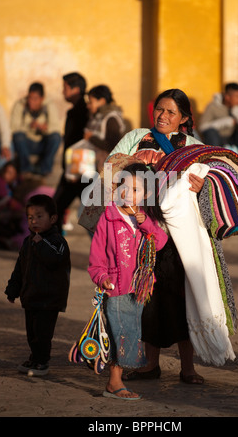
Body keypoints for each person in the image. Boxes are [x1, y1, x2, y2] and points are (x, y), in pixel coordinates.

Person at [98, 89, 206, 384]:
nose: (163, 116)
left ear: (184, 118)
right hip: (139, 232)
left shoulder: (194, 146)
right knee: (145, 298)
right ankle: (149, 364)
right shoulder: (135, 136)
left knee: (183, 300)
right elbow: (106, 170)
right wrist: (134, 158)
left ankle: (188, 367)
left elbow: (210, 185)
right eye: (160, 109)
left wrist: (200, 186)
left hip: (179, 237)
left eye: (171, 112)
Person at [87, 163, 168, 400]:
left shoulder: (145, 218)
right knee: (119, 333)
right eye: (123, 186)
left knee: (130, 333)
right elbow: (96, 257)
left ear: (146, 194)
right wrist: (102, 277)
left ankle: (116, 380)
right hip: (116, 288)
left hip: (139, 289)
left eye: (134, 189)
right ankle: (114, 382)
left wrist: (145, 223)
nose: (127, 193)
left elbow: (160, 241)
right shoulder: (108, 218)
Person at [4, 194, 71, 377]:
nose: (34, 221)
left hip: (49, 299)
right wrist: (13, 289)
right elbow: (20, 268)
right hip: (31, 296)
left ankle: (42, 361)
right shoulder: (28, 242)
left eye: (39, 217)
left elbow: (54, 260)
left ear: (53, 218)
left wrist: (41, 244)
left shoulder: (57, 242)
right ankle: (34, 358)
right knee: (31, 333)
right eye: (30, 217)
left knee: (43, 333)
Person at [53, 72, 90, 232]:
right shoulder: (77, 110)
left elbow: (79, 143)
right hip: (73, 168)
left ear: (75, 90)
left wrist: (74, 170)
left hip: (76, 169)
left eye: (65, 88)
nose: (63, 92)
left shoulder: (81, 112)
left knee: (56, 207)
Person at [11, 82, 61, 176]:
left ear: (42, 99)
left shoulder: (50, 105)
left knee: (56, 137)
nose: (31, 101)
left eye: (35, 99)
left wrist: (44, 128)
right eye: (30, 98)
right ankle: (26, 169)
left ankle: (45, 168)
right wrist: (29, 126)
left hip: (42, 143)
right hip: (26, 143)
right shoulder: (20, 105)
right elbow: (14, 127)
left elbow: (56, 128)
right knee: (18, 136)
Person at [198, 83, 238, 163]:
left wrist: (237, 113)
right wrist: (225, 122)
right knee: (210, 132)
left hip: (233, 138)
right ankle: (213, 162)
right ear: (227, 97)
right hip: (218, 139)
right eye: (237, 97)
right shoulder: (212, 106)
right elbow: (202, 127)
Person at [85, 85, 126, 172]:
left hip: (107, 169)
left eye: (90, 102)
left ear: (102, 101)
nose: (88, 106)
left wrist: (91, 138)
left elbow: (113, 146)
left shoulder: (111, 119)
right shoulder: (97, 117)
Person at [0, 161, 24, 250]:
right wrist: (22, 209)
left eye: (10, 173)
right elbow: (8, 201)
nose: (6, 175)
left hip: (7, 216)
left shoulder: (15, 184)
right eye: (5, 172)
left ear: (16, 175)